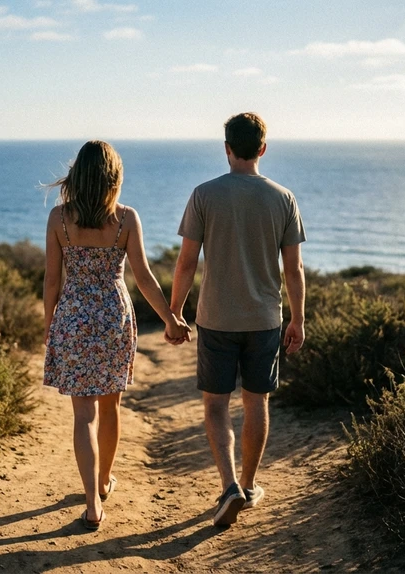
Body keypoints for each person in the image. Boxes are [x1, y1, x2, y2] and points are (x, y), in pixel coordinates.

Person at [43, 140, 191, 532]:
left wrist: (49, 325)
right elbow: (143, 276)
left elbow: (52, 280)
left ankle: (92, 502)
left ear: (77, 176)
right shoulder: (126, 219)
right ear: (114, 178)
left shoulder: (59, 219)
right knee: (110, 409)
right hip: (113, 320)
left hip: (74, 319)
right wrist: (171, 318)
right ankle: (104, 482)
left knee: (83, 415)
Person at [169, 113, 306, 527]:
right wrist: (298, 318)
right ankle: (247, 486)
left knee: (215, 406)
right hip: (265, 319)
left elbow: (186, 262)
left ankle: (228, 486)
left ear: (226, 147)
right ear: (262, 148)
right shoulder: (283, 198)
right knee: (256, 402)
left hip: (216, 319)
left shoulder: (203, 195)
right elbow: (294, 268)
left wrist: (175, 311)